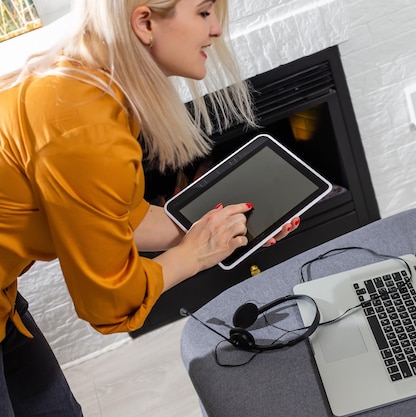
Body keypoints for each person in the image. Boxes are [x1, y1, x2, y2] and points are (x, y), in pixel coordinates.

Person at [0, 0, 300, 415]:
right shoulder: (84, 124)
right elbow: (108, 300)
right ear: (144, 22)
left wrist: (222, 230)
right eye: (203, 12)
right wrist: (194, 254)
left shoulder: (90, 85)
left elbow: (125, 217)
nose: (215, 30)